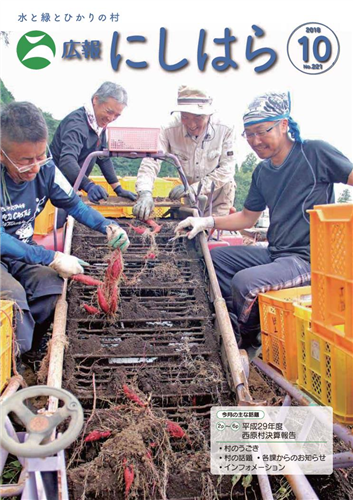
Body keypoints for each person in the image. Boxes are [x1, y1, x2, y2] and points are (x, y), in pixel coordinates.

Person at [175, 91, 353, 350]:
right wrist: (207, 221)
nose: (255, 141)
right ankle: (232, 320)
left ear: (283, 125)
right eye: (249, 134)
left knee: (246, 282)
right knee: (214, 260)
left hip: (310, 259)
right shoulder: (262, 171)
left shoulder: (313, 153)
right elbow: (248, 217)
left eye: (262, 131)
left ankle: (248, 342)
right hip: (276, 253)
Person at [0, 101, 130, 356]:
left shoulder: (46, 169)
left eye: (40, 156)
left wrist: (107, 226)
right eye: (25, 161)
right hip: (7, 251)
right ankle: (12, 365)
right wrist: (52, 257)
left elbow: (75, 205)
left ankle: (29, 354)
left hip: (23, 251)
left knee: (51, 288)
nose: (35, 167)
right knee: (14, 301)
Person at [133, 85, 236, 220]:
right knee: (191, 234)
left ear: (208, 114)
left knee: (211, 233)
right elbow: (151, 162)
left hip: (218, 193)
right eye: (185, 117)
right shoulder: (168, 129)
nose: (191, 124)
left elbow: (227, 169)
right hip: (189, 194)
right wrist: (145, 192)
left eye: (198, 118)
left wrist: (194, 188)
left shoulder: (225, 129)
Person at [50, 81, 136, 204]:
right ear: (96, 100)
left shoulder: (99, 123)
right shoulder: (76, 124)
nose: (111, 119)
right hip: (55, 188)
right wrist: (89, 185)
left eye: (117, 115)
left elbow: (102, 157)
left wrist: (118, 188)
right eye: (109, 111)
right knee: (62, 221)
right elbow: (67, 161)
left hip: (72, 187)